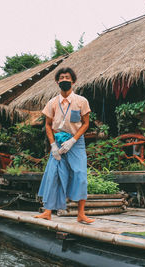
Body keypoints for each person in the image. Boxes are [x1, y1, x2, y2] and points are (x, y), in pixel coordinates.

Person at [35, 67, 95, 224]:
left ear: (73, 81)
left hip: (76, 142)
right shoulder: (52, 102)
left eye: (67, 77)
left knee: (80, 175)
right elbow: (47, 125)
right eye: (61, 78)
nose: (64, 80)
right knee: (53, 175)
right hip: (58, 141)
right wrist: (53, 145)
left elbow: (86, 123)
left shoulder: (82, 101)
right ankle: (47, 212)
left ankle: (81, 214)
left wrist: (73, 140)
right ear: (57, 82)